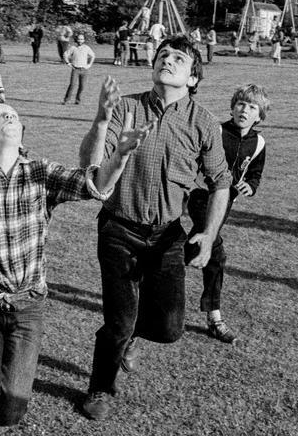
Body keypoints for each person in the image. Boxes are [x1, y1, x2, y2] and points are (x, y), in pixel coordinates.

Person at [0, 94, 147, 436]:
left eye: (13, 115)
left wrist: (120, 158)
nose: (9, 117)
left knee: (11, 409)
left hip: (28, 303)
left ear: (22, 131)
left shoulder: (40, 171)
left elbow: (93, 185)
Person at [76, 36, 231, 421]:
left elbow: (221, 182)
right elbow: (91, 167)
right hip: (119, 228)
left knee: (168, 328)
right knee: (119, 319)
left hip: (167, 234)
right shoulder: (126, 107)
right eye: (163, 55)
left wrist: (209, 234)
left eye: (179, 58)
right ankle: (100, 387)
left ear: (193, 78)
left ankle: (131, 338)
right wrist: (100, 119)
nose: (168, 60)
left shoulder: (205, 123)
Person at [187, 84, 269, 345]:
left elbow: (255, 172)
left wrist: (250, 186)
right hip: (202, 196)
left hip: (227, 202)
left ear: (260, 115)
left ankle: (154, 276)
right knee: (215, 251)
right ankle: (215, 317)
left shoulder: (259, 143)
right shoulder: (218, 131)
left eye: (251, 107)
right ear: (233, 107)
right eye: (240, 104)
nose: (244, 110)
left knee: (187, 248)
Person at [63, 31, 96, 105]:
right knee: (72, 85)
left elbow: (93, 56)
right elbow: (65, 54)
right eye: (79, 39)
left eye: (82, 39)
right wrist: (68, 63)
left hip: (84, 70)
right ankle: (66, 100)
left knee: (82, 86)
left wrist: (89, 65)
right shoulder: (73, 48)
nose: (80, 41)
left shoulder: (87, 48)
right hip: (75, 69)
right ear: (76, 40)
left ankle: (78, 100)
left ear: (84, 40)